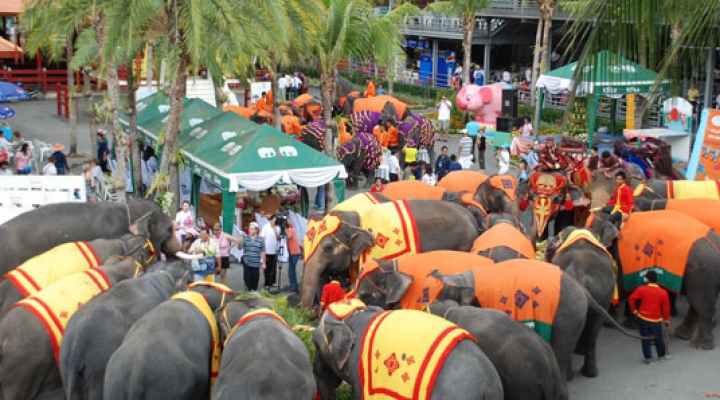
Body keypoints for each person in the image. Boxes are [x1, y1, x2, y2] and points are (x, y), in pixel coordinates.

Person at [628, 270, 671, 364]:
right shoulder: (663, 293)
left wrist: (635, 311)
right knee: (658, 338)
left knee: (645, 339)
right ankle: (661, 355)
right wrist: (667, 320)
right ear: (657, 280)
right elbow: (666, 308)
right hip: (656, 319)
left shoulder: (641, 289)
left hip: (643, 318)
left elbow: (631, 299)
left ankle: (648, 358)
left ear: (647, 279)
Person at [241, 222, 265, 292]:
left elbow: (263, 251)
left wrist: (264, 263)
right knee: (247, 280)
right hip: (247, 262)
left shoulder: (260, 239)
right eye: (249, 229)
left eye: (252, 229)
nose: (250, 230)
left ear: (256, 230)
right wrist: (239, 241)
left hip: (256, 263)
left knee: (255, 281)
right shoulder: (245, 238)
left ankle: (254, 293)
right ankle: (248, 293)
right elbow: (240, 248)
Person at [260, 214, 281, 290]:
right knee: (267, 267)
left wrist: (275, 231)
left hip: (274, 250)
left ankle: (273, 281)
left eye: (275, 221)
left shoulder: (277, 228)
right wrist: (263, 248)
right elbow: (262, 237)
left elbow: (279, 238)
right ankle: (267, 282)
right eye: (273, 220)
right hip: (267, 250)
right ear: (271, 220)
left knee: (273, 266)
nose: (274, 222)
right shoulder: (266, 227)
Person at [284, 221, 302, 292]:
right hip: (291, 252)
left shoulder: (290, 229)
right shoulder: (289, 229)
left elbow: (289, 236)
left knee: (291, 270)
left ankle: (294, 286)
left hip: (294, 252)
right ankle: (293, 285)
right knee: (291, 269)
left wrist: (285, 230)